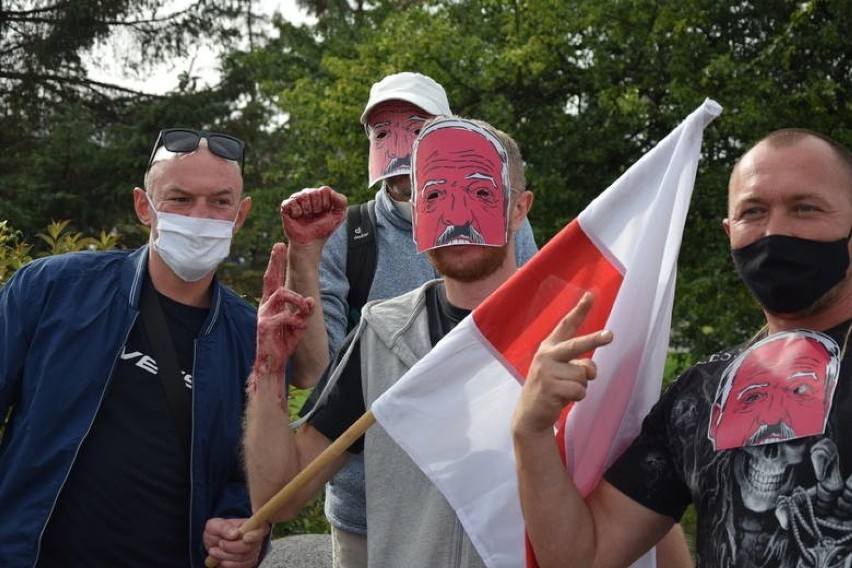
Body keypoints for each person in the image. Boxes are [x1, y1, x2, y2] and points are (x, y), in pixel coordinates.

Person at [245, 116, 690, 567]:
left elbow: (648, 505)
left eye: (480, 193)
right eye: (435, 195)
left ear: (519, 208)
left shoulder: (585, 334)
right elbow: (281, 495)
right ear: (416, 211)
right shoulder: (383, 335)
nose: (456, 215)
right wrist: (268, 369)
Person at [512, 128, 852, 567]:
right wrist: (531, 431)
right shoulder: (700, 396)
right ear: (730, 232)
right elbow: (584, 556)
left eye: (805, 208)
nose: (775, 230)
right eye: (754, 212)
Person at [284, 71, 539, 566]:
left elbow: (527, 324)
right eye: (383, 131)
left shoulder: (505, 218)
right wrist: (303, 261)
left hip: (492, 498)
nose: (401, 144)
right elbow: (319, 375)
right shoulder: (348, 233)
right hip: (369, 508)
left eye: (418, 128)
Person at [0, 128, 279, 567]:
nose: (200, 216)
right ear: (142, 207)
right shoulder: (52, 289)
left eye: (219, 202)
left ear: (240, 215)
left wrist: (239, 525)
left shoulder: (251, 336)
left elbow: (248, 470)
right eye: (180, 199)